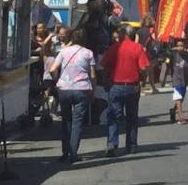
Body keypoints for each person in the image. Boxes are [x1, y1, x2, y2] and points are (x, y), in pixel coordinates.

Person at [48, 27, 97, 164]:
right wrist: (92, 90)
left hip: (64, 89)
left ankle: (64, 152)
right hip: (81, 89)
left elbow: (52, 69)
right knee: (77, 122)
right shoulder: (88, 53)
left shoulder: (63, 52)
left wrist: (57, 80)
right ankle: (73, 153)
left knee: (66, 121)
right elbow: (92, 75)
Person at [101, 25, 152, 157]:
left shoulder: (114, 48)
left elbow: (104, 65)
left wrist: (106, 80)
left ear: (123, 34)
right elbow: (144, 68)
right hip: (132, 86)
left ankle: (112, 144)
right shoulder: (137, 48)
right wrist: (142, 80)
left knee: (113, 116)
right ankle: (132, 145)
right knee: (132, 117)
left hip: (116, 85)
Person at [166, 39, 188, 124]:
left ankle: (173, 110)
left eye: (181, 45)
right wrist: (172, 48)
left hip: (184, 79)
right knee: (178, 98)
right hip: (176, 79)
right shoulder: (173, 54)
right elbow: (166, 53)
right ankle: (181, 117)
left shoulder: (187, 54)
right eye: (178, 45)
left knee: (181, 98)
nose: (180, 47)